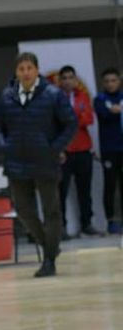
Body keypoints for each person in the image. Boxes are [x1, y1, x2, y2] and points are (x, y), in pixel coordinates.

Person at [0, 52, 77, 278]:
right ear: (16, 72)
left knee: (51, 211)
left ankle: (49, 260)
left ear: (37, 70)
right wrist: (4, 146)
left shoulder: (53, 94)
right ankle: (50, 246)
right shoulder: (7, 95)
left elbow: (70, 124)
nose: (25, 73)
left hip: (45, 161)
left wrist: (54, 148)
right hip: (16, 162)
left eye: (29, 68)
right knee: (23, 210)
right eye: (21, 69)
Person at [56, 66, 98, 237]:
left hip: (83, 150)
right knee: (61, 191)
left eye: (70, 77)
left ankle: (87, 223)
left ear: (75, 80)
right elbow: (55, 122)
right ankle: (61, 227)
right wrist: (76, 116)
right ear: (60, 81)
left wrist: (69, 119)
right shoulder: (55, 99)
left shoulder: (83, 96)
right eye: (64, 78)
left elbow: (89, 119)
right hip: (64, 151)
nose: (68, 81)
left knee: (85, 190)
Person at [95, 67, 123, 234]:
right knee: (110, 185)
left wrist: (115, 111)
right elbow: (104, 115)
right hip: (109, 150)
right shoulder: (100, 99)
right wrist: (114, 111)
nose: (110, 84)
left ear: (119, 81)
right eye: (107, 81)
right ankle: (111, 220)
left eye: (113, 80)